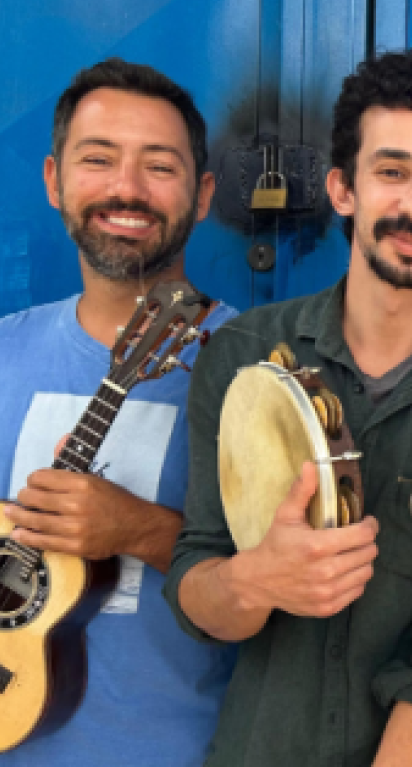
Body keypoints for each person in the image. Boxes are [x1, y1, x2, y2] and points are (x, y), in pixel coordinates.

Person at [163, 48, 412, 765]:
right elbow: (197, 590)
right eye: (392, 171)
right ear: (342, 189)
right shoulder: (240, 354)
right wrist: (256, 578)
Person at [0, 58, 236, 766]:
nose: (126, 188)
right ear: (54, 181)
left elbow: (294, 594)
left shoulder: (258, 369)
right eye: (98, 159)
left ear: (202, 195)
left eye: (159, 166)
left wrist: (138, 528)